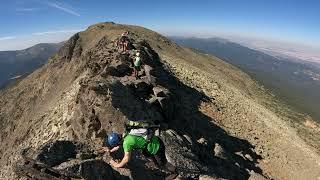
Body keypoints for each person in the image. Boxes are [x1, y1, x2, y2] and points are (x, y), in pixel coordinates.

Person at [100, 131, 177, 178]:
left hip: (156, 147)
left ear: (118, 142)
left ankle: (175, 172)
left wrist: (116, 165)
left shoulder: (127, 143)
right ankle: (158, 165)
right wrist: (110, 150)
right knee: (149, 157)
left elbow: (126, 159)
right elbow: (119, 146)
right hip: (151, 143)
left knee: (163, 163)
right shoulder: (125, 134)